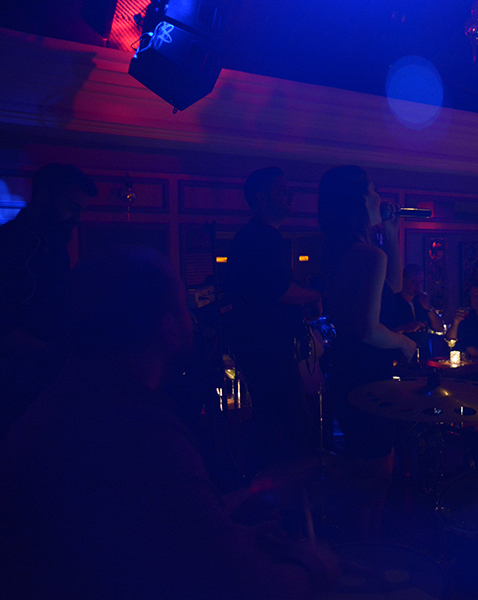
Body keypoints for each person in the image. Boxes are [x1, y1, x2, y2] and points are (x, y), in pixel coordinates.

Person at [0, 247, 332, 599]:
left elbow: (146, 536)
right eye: (183, 305)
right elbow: (244, 585)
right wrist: (317, 568)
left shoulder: (62, 404)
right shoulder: (141, 434)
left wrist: (233, 525)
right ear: (170, 329)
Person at [317, 165, 417, 461]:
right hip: (368, 373)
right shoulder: (369, 255)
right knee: (377, 465)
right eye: (374, 190)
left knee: (361, 460)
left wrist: (391, 233)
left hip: (344, 369)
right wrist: (403, 342)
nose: (379, 197)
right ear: (361, 200)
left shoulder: (339, 251)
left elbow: (393, 287)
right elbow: (369, 330)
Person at [227, 167, 321, 472]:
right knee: (294, 423)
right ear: (261, 197)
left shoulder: (253, 237)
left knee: (269, 418)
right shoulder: (263, 238)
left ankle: (258, 483)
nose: (290, 196)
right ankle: (298, 487)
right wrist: (317, 294)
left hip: (258, 345)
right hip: (267, 347)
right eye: (282, 190)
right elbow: (280, 291)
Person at [0, 163, 96, 434]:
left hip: (43, 377)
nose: (76, 218)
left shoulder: (54, 249)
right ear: (43, 195)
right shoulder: (6, 245)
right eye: (71, 206)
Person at [380, 263, 444, 356]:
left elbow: (439, 328)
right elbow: (384, 333)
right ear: (404, 280)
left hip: (423, 355)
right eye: (414, 282)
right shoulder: (392, 302)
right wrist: (406, 328)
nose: (418, 286)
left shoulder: (422, 302)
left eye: (420, 282)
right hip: (401, 355)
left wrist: (429, 309)